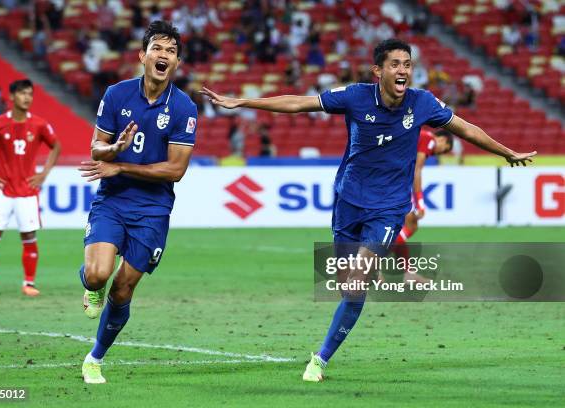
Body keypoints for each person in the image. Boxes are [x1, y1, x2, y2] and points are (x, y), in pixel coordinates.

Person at [201, 38, 535, 382]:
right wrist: (244, 101)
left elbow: (464, 128)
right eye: (395, 64)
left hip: (389, 208)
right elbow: (300, 103)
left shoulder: (422, 103)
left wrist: (506, 151)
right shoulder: (356, 96)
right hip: (348, 201)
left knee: (359, 281)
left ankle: (320, 359)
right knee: (346, 284)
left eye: (407, 64)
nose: (403, 69)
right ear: (379, 71)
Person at [77, 20, 197, 384]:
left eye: (172, 51)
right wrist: (112, 149)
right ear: (143, 56)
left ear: (176, 63)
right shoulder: (116, 94)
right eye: (158, 49)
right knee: (98, 275)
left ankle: (95, 357)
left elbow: (176, 170)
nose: (164, 56)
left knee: (124, 287)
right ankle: (89, 286)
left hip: (153, 210)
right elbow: (96, 147)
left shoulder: (184, 107)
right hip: (113, 200)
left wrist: (121, 165)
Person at [0, 79, 61, 297]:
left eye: (30, 94)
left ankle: (29, 283)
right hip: (3, 190)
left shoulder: (39, 124)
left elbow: (56, 145)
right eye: (22, 93)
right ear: (12, 97)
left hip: (28, 192)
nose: (27, 97)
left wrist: (44, 173)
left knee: (29, 238)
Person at [389, 128, 454, 283]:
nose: (438, 154)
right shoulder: (429, 139)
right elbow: (416, 172)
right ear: (442, 139)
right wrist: (420, 203)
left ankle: (408, 273)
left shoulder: (420, 136)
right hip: (391, 181)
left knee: (402, 226)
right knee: (410, 224)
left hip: (388, 176)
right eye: (443, 150)